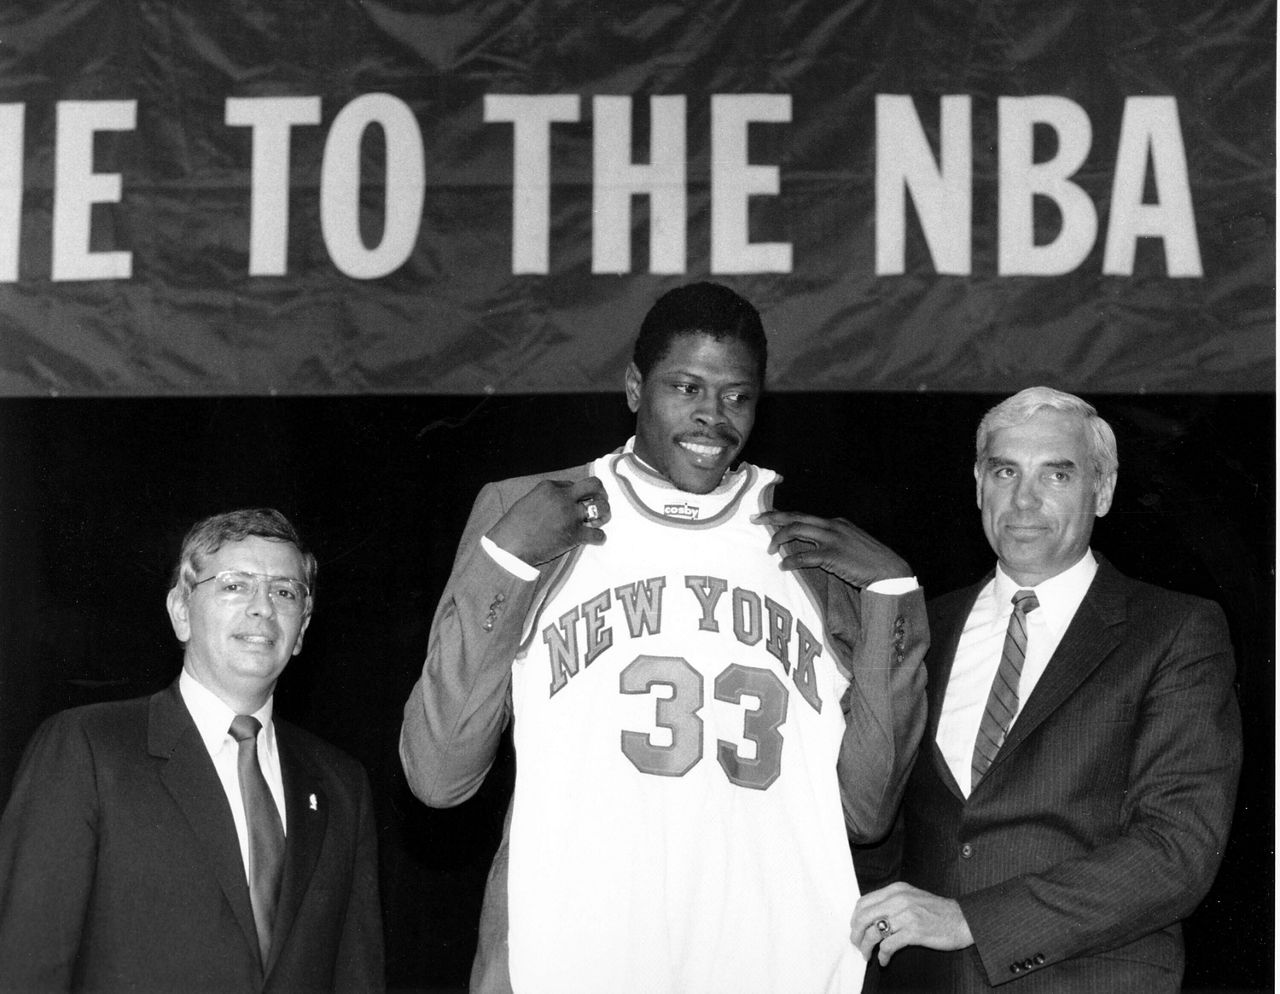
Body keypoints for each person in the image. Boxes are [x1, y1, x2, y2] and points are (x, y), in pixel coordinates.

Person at [400, 281, 927, 994]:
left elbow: (866, 815)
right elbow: (438, 776)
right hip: (572, 962)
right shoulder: (532, 514)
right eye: (687, 387)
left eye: (739, 396)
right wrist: (507, 558)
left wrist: (894, 591)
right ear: (633, 387)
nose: (714, 417)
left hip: (767, 966)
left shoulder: (810, 559)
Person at [850, 387, 1242, 992]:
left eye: (1056, 474)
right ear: (979, 484)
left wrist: (972, 921)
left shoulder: (1174, 631)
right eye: (1006, 471)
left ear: (1102, 491)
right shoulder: (924, 625)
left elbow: (1178, 850)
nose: (1023, 500)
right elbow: (880, 823)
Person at [0, 508, 384, 993]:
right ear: (181, 611)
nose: (262, 607)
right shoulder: (87, 749)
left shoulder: (341, 784)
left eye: (285, 591)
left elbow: (357, 977)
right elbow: (23, 971)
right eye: (234, 585)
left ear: (302, 629)